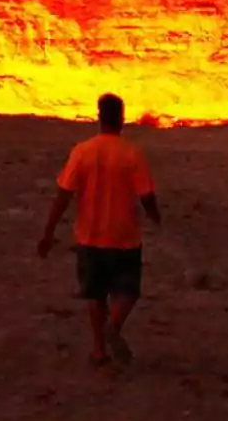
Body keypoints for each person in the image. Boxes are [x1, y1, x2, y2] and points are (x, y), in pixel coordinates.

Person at [37, 93, 161, 367]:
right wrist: (155, 217)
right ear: (122, 119)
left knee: (94, 293)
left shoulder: (83, 151)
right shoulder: (132, 153)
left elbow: (63, 194)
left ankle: (99, 348)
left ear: (99, 118)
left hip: (89, 236)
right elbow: (146, 194)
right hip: (124, 236)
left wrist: (49, 231)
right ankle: (114, 325)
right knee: (128, 290)